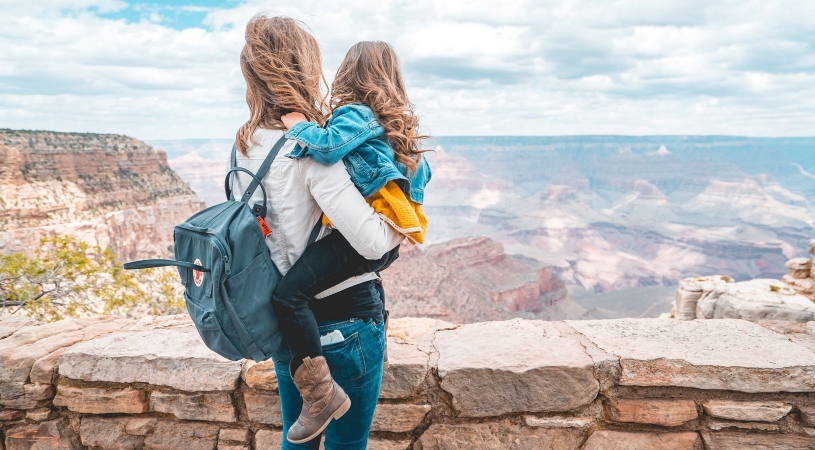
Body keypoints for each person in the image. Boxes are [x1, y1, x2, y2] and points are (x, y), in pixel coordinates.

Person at [231, 15, 403, 449]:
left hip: (289, 329)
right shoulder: (310, 149)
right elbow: (373, 242)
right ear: (305, 69)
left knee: (299, 444)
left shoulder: (243, 144)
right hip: (345, 322)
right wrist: (398, 233)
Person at [273, 40, 431, 444]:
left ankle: (322, 394)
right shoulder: (399, 132)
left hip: (353, 245)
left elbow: (326, 148)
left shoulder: (355, 115)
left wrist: (297, 126)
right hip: (374, 261)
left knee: (288, 294)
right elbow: (417, 185)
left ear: (348, 74)